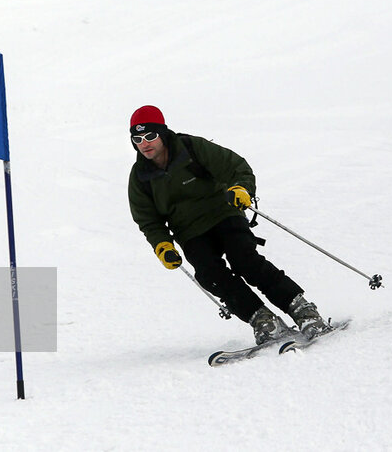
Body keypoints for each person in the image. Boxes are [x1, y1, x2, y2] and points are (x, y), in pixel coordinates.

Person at [126, 105, 331, 344]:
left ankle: (303, 311)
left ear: (162, 133)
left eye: (150, 135)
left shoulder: (191, 148)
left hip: (223, 213)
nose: (144, 143)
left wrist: (241, 189)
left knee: (245, 260)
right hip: (190, 232)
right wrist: (163, 245)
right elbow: (148, 219)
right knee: (209, 275)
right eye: (137, 138)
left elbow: (236, 167)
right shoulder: (140, 176)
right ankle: (264, 321)